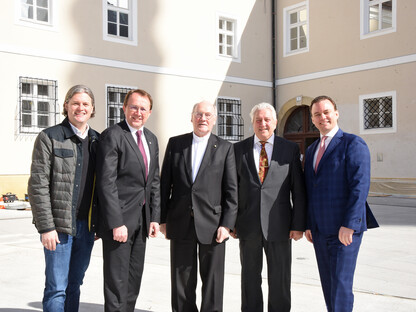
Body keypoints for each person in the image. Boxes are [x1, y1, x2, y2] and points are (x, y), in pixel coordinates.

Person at [160, 100, 238, 312]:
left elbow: (231, 191)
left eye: (207, 115)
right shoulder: (176, 144)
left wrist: (227, 224)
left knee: (213, 281)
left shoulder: (225, 148)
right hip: (180, 222)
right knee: (181, 280)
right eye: (198, 114)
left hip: (214, 225)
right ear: (192, 117)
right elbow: (165, 183)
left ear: (214, 120)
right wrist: (162, 219)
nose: (202, 118)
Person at [28, 85, 99, 312]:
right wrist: (46, 227)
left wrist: (99, 222)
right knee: (56, 287)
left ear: (92, 109)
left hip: (86, 229)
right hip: (58, 228)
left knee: (74, 285)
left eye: (85, 104)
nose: (80, 108)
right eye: (75, 103)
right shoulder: (49, 137)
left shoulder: (98, 141)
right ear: (66, 105)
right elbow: (37, 185)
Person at [304, 95, 379, 312]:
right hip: (319, 230)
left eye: (326, 112)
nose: (322, 117)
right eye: (317, 114)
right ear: (312, 119)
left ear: (336, 113)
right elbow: (311, 189)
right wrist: (309, 223)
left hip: (344, 230)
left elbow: (360, 186)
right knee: (328, 286)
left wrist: (351, 224)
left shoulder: (353, 144)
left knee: (341, 287)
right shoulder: (311, 150)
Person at [231, 102, 306, 312]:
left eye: (267, 120)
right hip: (247, 226)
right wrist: (231, 222)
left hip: (280, 226)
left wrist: (298, 224)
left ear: (274, 123)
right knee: (249, 280)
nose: (262, 124)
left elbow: (298, 190)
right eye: (258, 120)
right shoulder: (238, 149)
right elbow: (233, 189)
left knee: (280, 280)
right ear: (252, 123)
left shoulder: (289, 149)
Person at [96, 89, 160, 312]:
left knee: (133, 280)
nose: (138, 112)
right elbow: (107, 182)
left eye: (143, 108)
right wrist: (116, 222)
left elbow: (153, 182)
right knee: (116, 283)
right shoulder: (113, 135)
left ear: (149, 112)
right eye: (133, 107)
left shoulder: (151, 139)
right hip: (119, 223)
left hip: (142, 223)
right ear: (124, 108)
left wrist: (154, 218)